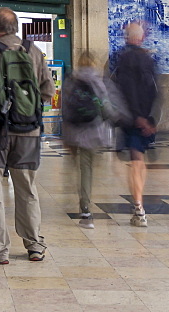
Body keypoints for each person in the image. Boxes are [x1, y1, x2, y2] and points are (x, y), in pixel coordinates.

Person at [0, 7, 54, 265]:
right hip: (29, 132)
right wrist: (29, 113)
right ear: (15, 28)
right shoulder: (34, 51)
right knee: (27, 189)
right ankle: (34, 245)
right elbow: (48, 90)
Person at [61, 51, 125, 229]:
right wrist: (115, 118)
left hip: (73, 132)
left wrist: (64, 132)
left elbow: (64, 107)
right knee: (88, 168)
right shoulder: (98, 80)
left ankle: (81, 201)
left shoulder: (71, 80)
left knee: (79, 167)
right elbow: (105, 106)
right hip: (93, 132)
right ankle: (86, 209)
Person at [112, 21, 159, 228]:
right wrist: (151, 119)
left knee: (135, 161)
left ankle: (138, 206)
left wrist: (137, 117)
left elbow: (122, 90)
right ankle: (138, 204)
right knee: (139, 161)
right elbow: (156, 91)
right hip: (145, 119)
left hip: (132, 119)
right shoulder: (149, 59)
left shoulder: (122, 59)